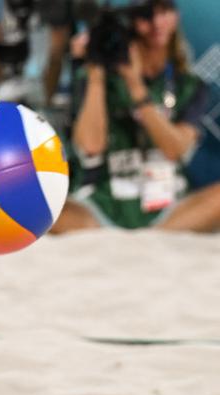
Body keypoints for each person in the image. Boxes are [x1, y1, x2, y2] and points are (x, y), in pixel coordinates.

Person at [52, 0, 218, 233]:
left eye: (164, 12)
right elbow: (90, 147)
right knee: (38, 204)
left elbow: (176, 149)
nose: (156, 23)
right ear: (130, 25)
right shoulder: (94, 78)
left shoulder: (190, 86)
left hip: (170, 212)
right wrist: (96, 74)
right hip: (101, 210)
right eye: (146, 16)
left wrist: (135, 85)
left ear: (176, 17)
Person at [0, 0, 71, 106]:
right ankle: (5, 86)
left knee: (57, 44)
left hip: (41, 41)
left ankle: (46, 103)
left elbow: (61, 25)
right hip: (10, 51)